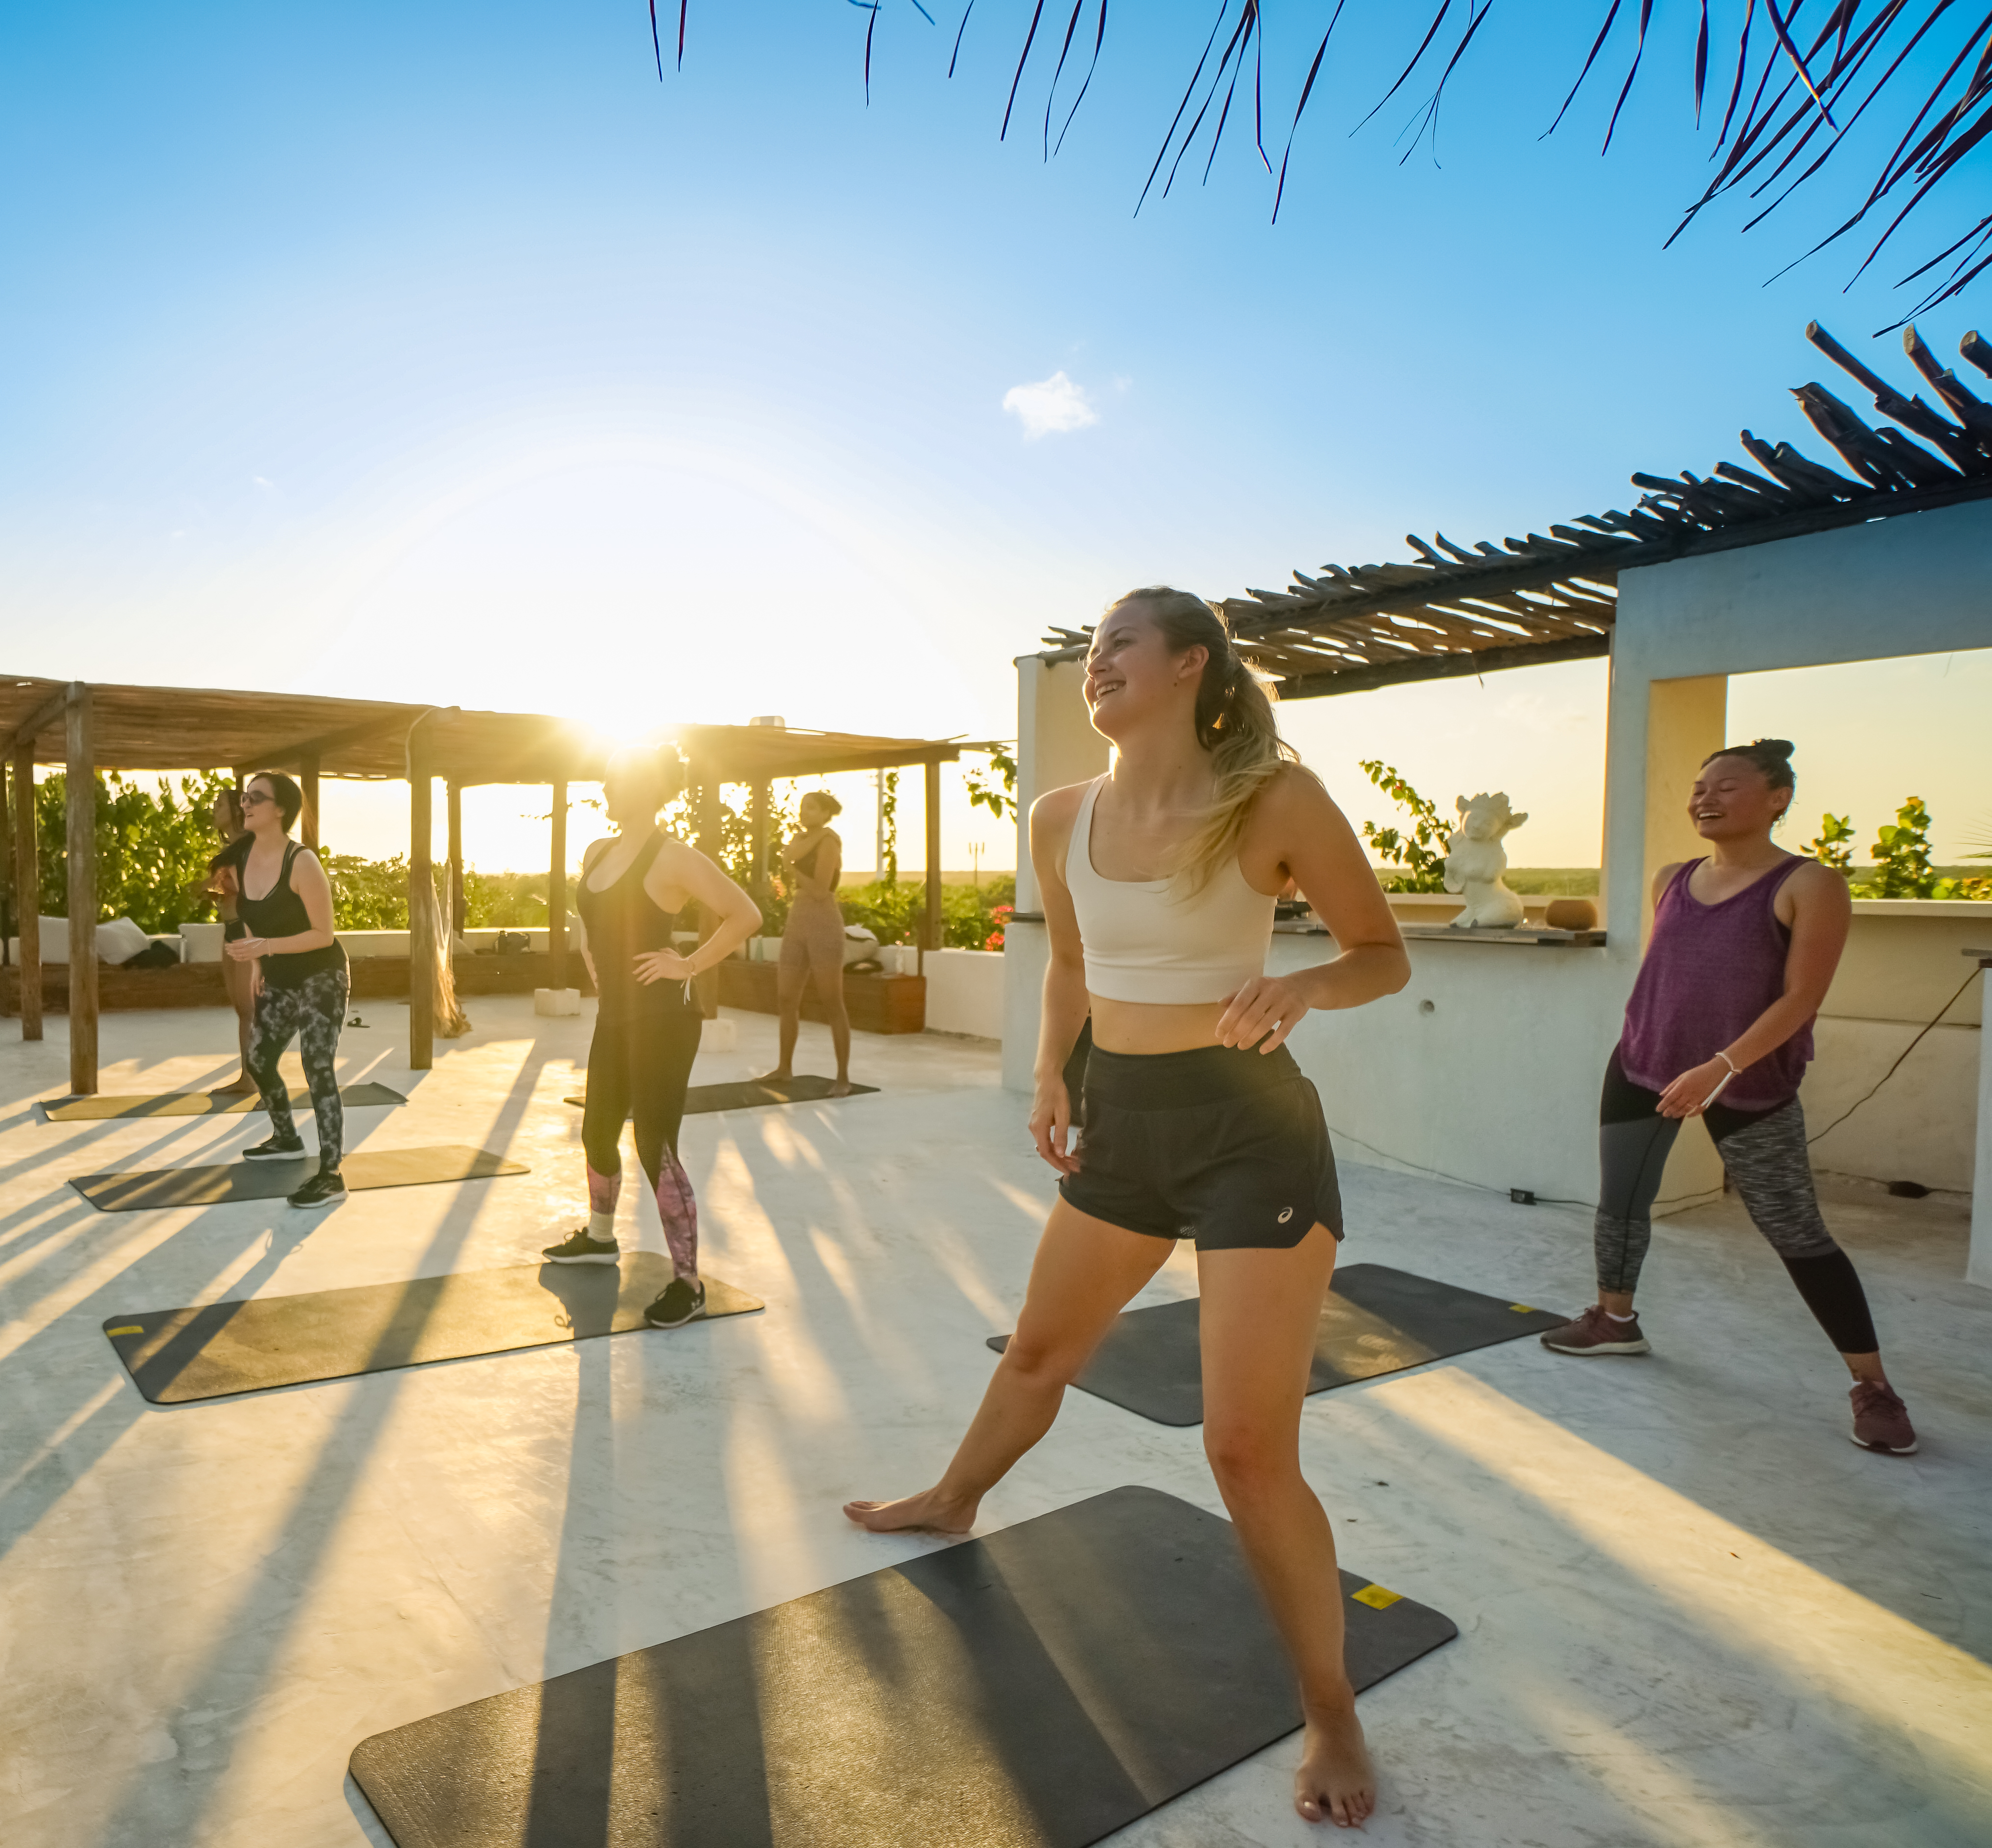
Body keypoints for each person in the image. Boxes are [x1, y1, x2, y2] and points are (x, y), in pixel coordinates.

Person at [843, 589, 1408, 1830]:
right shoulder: (1060, 815)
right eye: (1089, 651)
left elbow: (1383, 953)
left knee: (1243, 1446)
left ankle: (1329, 1707)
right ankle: (953, 1496)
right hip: (1126, 1115)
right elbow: (1072, 962)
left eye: (1118, 647)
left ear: (1189, 665)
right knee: (1041, 1348)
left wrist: (1304, 986)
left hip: (1249, 1131)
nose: (1095, 665)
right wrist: (1055, 1072)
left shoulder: (1274, 798)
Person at [1539, 739, 1918, 1454]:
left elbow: (1802, 997)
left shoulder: (1809, 884)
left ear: (1778, 798)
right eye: (1698, 786)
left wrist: (1720, 1066)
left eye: (1727, 786)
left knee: (1794, 1232)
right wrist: (1665, 1052)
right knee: (1620, 1203)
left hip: (1748, 1079)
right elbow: (1676, 979)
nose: (1704, 798)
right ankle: (1615, 1321)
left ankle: (1873, 1386)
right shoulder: (1671, 879)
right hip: (1644, 1065)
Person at [542, 745, 762, 1328]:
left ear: (647, 789)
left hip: (664, 1018)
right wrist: (589, 952)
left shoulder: (675, 858)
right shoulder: (599, 850)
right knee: (596, 1128)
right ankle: (598, 1238)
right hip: (614, 1012)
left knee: (653, 1145)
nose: (608, 788)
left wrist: (688, 964)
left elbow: (744, 914)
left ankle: (688, 1283)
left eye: (617, 781)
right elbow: (589, 916)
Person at [226, 772, 348, 1210]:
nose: (246, 804)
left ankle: (331, 1174)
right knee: (259, 1059)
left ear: (281, 810)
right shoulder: (244, 857)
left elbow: (323, 934)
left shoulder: (302, 862)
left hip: (321, 974)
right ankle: (286, 1138)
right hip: (278, 975)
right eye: (245, 797)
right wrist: (259, 961)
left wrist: (266, 947)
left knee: (317, 1064)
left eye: (256, 798)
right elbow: (250, 915)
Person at [761, 790, 854, 1096]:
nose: (805, 813)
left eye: (812, 808)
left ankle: (842, 1077)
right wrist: (793, 864)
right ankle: (784, 1068)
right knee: (786, 998)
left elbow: (818, 889)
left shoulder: (829, 842)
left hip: (823, 920)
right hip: (797, 920)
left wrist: (793, 869)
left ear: (826, 813)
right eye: (803, 808)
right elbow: (791, 865)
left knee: (832, 1001)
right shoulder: (800, 840)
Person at [204, 785, 261, 1095]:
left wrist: (222, 887)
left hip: (247, 929)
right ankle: (247, 1076)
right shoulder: (231, 850)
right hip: (231, 928)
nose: (215, 811)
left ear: (237, 810)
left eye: (220, 805)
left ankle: (252, 1080)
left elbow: (252, 887)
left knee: (250, 1010)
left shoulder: (251, 846)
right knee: (242, 1009)